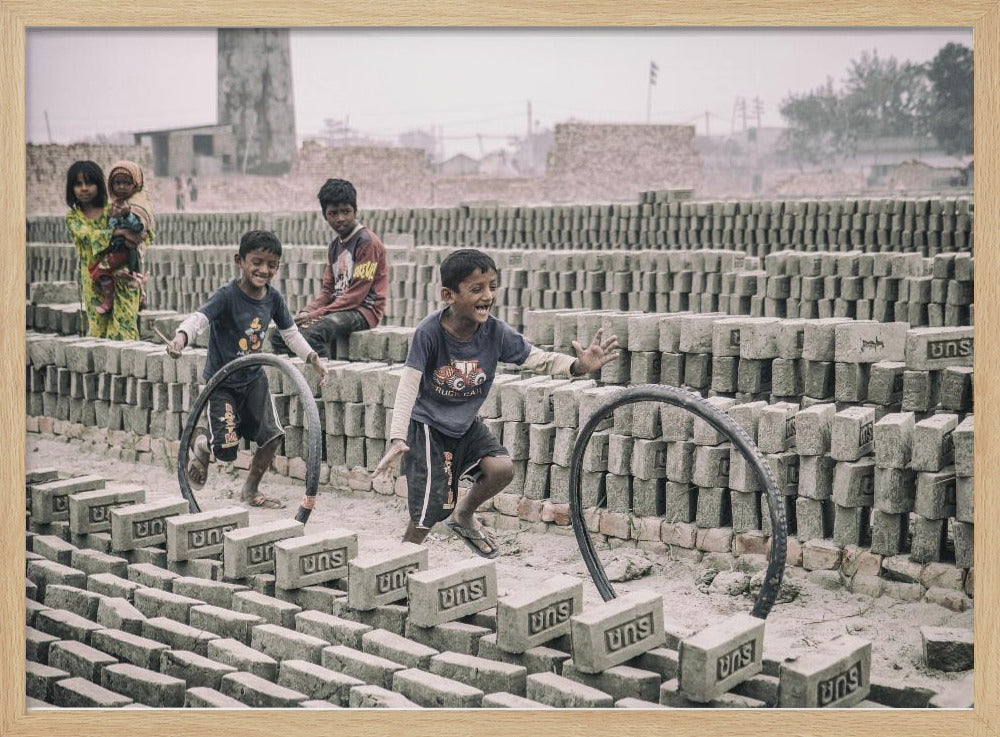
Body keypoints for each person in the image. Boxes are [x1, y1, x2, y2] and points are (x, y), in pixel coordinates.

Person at [373, 248, 619, 558]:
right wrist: (398, 437)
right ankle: (399, 561)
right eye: (476, 289)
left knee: (501, 469)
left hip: (464, 425)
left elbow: (536, 359)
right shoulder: (429, 333)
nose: (487, 295)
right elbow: (408, 384)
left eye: (492, 286)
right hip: (428, 428)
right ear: (449, 295)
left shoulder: (495, 332)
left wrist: (578, 366)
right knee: (433, 508)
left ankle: (464, 515)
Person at [163, 230, 329, 509]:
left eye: (271, 265)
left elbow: (290, 334)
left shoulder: (273, 299)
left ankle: (250, 490)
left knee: (273, 435)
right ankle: (203, 445)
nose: (263, 270)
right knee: (226, 451)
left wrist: (312, 358)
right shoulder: (227, 296)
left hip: (253, 378)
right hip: (223, 382)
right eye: (257, 262)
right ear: (239, 260)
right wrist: (180, 338)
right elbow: (199, 320)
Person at [270, 178, 387, 359]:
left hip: (363, 311)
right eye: (333, 213)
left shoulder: (366, 242)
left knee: (313, 334)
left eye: (346, 212)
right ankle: (300, 381)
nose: (340, 218)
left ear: (355, 211)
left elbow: (356, 296)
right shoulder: (334, 247)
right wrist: (307, 311)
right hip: (338, 309)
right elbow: (327, 291)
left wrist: (317, 314)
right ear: (325, 215)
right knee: (280, 336)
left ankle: (326, 382)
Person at [64, 160, 141, 340]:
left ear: (99, 184)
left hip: (122, 274)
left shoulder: (112, 210)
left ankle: (125, 367)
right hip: (94, 278)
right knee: (99, 330)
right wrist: (120, 232)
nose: (84, 188)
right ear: (71, 188)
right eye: (78, 184)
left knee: (125, 326)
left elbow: (139, 233)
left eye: (89, 183)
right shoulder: (73, 217)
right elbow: (88, 235)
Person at [88, 161, 154, 315]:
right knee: (98, 271)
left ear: (136, 183)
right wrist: (120, 232)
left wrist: (127, 215)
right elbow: (108, 228)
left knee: (101, 271)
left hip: (128, 253)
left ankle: (109, 299)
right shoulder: (114, 205)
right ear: (111, 184)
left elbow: (140, 228)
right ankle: (140, 296)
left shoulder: (139, 203)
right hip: (116, 248)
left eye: (127, 183)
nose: (122, 187)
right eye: (117, 183)